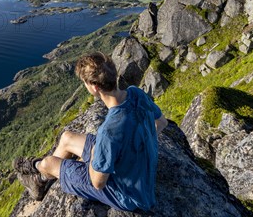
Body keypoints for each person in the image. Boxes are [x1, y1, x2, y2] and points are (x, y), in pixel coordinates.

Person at [13, 51, 168, 212]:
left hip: (130, 195)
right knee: (67, 138)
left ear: (94, 87)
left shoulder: (109, 130)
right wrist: (140, 143)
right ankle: (41, 179)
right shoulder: (136, 94)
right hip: (138, 174)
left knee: (49, 162)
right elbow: (162, 122)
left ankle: (38, 169)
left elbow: (98, 182)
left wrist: (95, 156)